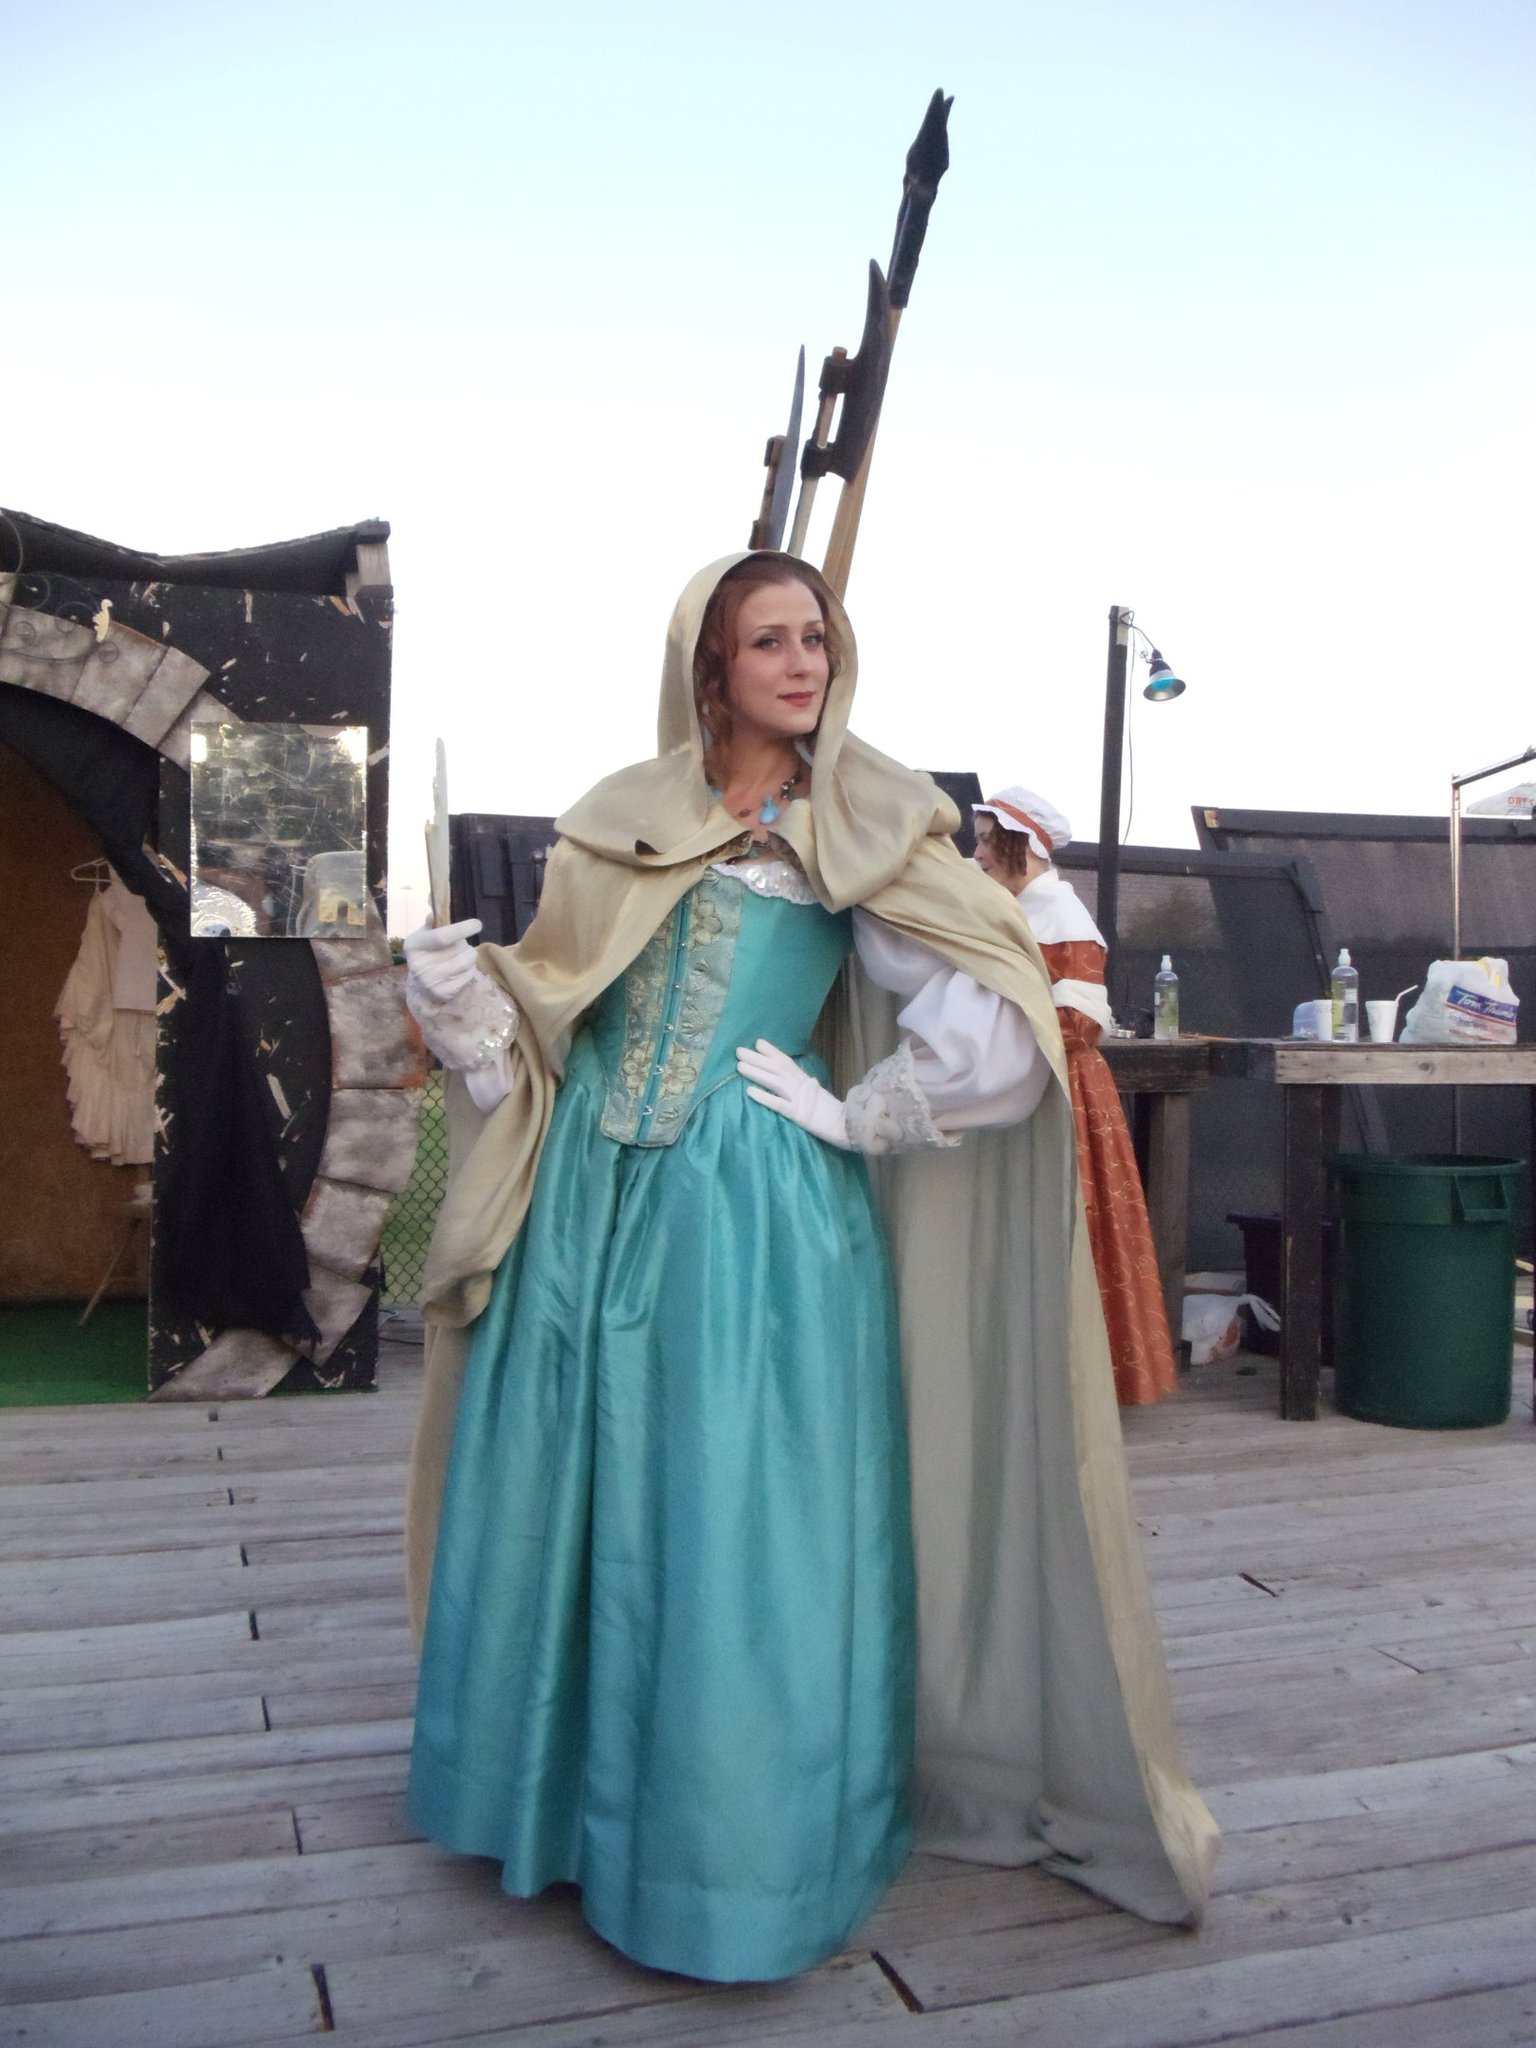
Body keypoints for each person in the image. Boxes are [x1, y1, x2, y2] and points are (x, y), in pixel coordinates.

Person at [401, 558, 1215, 1984]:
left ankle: (731, 1859)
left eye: (817, 637)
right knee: (584, 1501)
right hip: (590, 1204)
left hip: (753, 1214)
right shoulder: (620, 821)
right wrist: (468, 999)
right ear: (708, 669)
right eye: (766, 640)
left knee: (729, 1519)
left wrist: (865, 1113)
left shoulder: (861, 824)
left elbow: (997, 999)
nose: (801, 661)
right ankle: (571, 1807)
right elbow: (556, 1018)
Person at [974, 787, 1179, 1406]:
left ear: (1020, 845)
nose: (977, 853)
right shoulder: (1017, 907)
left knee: (1071, 1228)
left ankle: (1078, 1383)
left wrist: (991, 1029)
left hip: (1060, 1091)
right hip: (1015, 1080)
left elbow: (1081, 1022)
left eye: (987, 840)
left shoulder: (1060, 915)